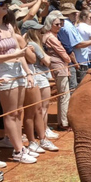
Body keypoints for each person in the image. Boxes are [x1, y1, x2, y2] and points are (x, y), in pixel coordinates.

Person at [0, 0, 39, 164]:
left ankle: (19, 146)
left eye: (6, 3)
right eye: (1, 3)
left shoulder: (9, 27)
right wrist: (13, 56)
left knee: (18, 112)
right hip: (4, 73)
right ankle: (18, 150)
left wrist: (28, 72)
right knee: (10, 114)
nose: (5, 5)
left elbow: (20, 55)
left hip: (18, 71)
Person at [18, 20, 59, 152]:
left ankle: (41, 138)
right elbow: (46, 60)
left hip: (34, 77)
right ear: (30, 31)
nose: (40, 32)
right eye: (37, 30)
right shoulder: (32, 44)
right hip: (32, 77)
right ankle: (33, 140)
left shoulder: (32, 44)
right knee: (31, 111)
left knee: (39, 109)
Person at [42, 12, 71, 131]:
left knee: (62, 95)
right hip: (59, 67)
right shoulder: (51, 37)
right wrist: (68, 60)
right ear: (50, 24)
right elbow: (62, 53)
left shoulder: (47, 36)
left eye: (60, 24)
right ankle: (64, 122)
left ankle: (62, 121)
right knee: (64, 95)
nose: (60, 26)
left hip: (56, 67)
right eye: (57, 24)